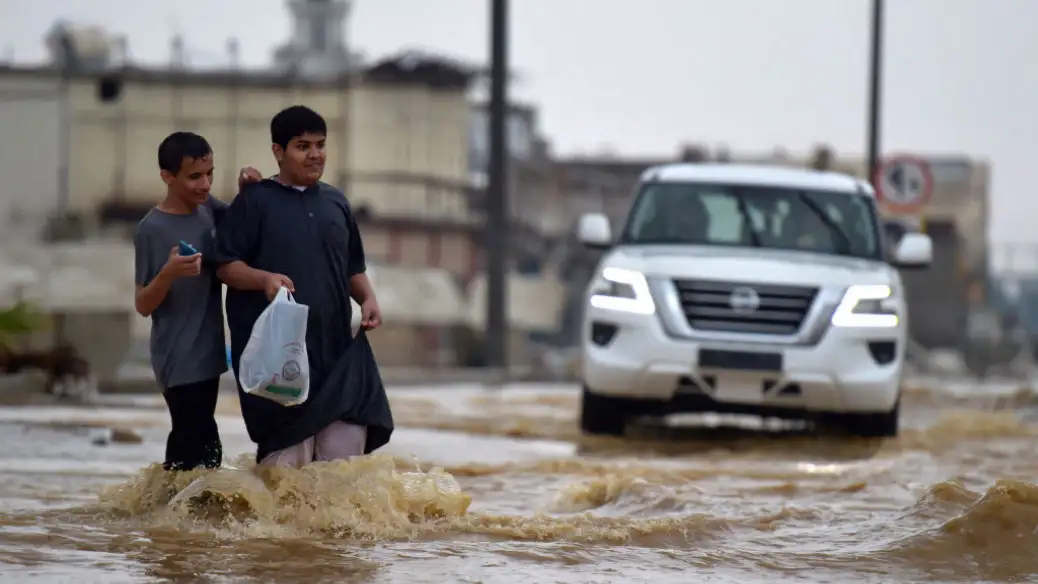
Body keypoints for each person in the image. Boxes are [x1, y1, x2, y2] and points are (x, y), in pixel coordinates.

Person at [215, 105, 394, 469]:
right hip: (279, 363)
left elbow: (352, 268)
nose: (315, 155)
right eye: (302, 146)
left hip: (336, 358)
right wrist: (264, 279)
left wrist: (368, 298)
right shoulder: (254, 201)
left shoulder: (336, 202)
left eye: (320, 145)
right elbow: (224, 266)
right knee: (284, 481)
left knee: (343, 477)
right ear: (278, 152)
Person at [132, 131, 262, 471]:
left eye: (210, 174)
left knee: (191, 445)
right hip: (177, 355)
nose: (204, 184)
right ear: (167, 176)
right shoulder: (152, 229)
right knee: (203, 447)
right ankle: (178, 514)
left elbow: (241, 225)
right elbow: (143, 304)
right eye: (194, 177)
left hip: (208, 353)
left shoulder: (208, 209)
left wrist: (247, 190)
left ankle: (163, 516)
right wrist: (169, 273)